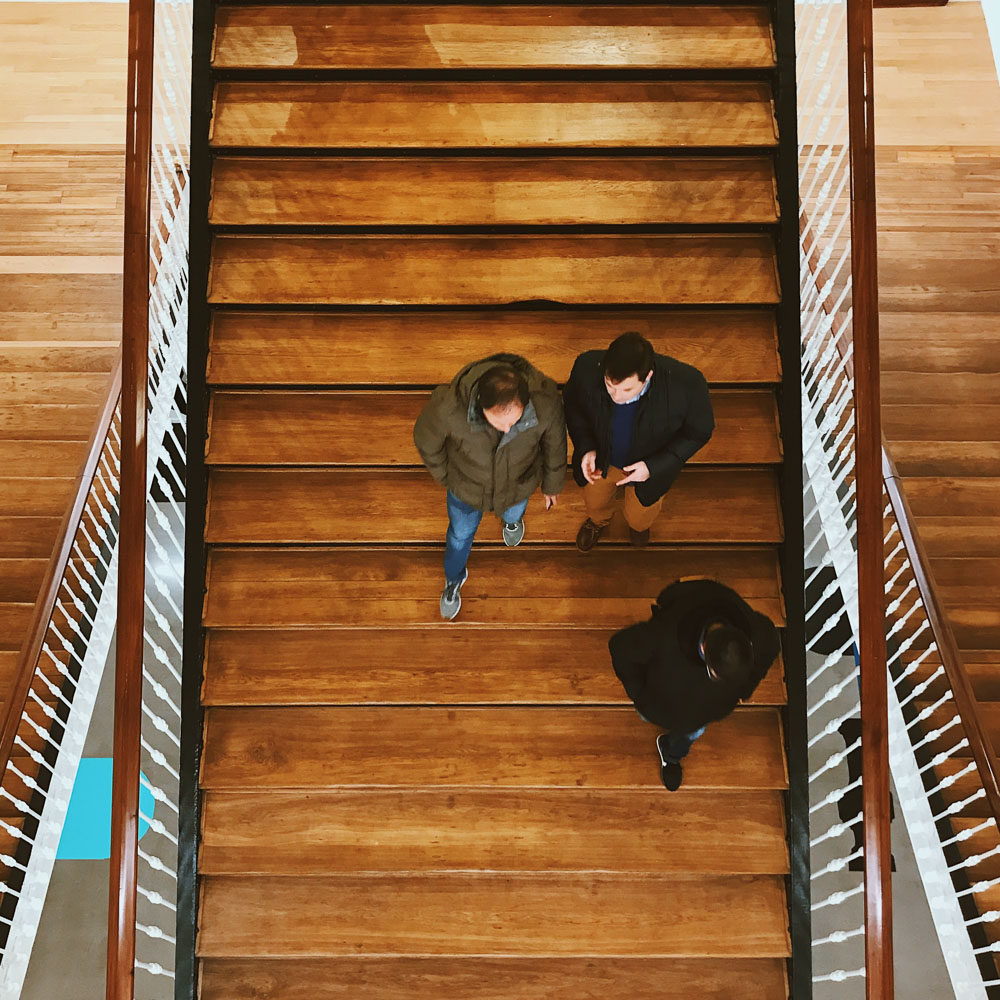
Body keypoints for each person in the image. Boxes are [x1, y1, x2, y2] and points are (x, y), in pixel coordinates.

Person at [413, 354, 566, 620]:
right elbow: (426, 440)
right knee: (459, 537)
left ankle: (511, 522)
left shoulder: (546, 403)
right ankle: (454, 579)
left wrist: (552, 484)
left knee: (513, 513)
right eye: (499, 421)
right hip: (466, 490)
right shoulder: (448, 408)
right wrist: (446, 476)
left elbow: (555, 444)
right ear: (480, 406)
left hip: (519, 483)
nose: (508, 429)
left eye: (515, 420)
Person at [608, 578, 780, 790]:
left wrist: (747, 688)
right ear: (705, 648)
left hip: (694, 714)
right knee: (677, 725)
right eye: (716, 674)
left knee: (692, 732)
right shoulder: (663, 637)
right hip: (659, 695)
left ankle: (671, 756)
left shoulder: (758, 634)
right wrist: (639, 693)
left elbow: (771, 643)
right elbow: (620, 648)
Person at [563, 331, 714, 550]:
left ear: (648, 376)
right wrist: (586, 447)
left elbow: (699, 431)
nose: (616, 397)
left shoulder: (687, 385)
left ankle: (638, 527)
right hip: (602, 461)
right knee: (595, 503)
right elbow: (573, 405)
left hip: (649, 472)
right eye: (609, 385)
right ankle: (598, 522)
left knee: (641, 514)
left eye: (626, 389)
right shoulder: (586, 367)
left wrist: (653, 467)